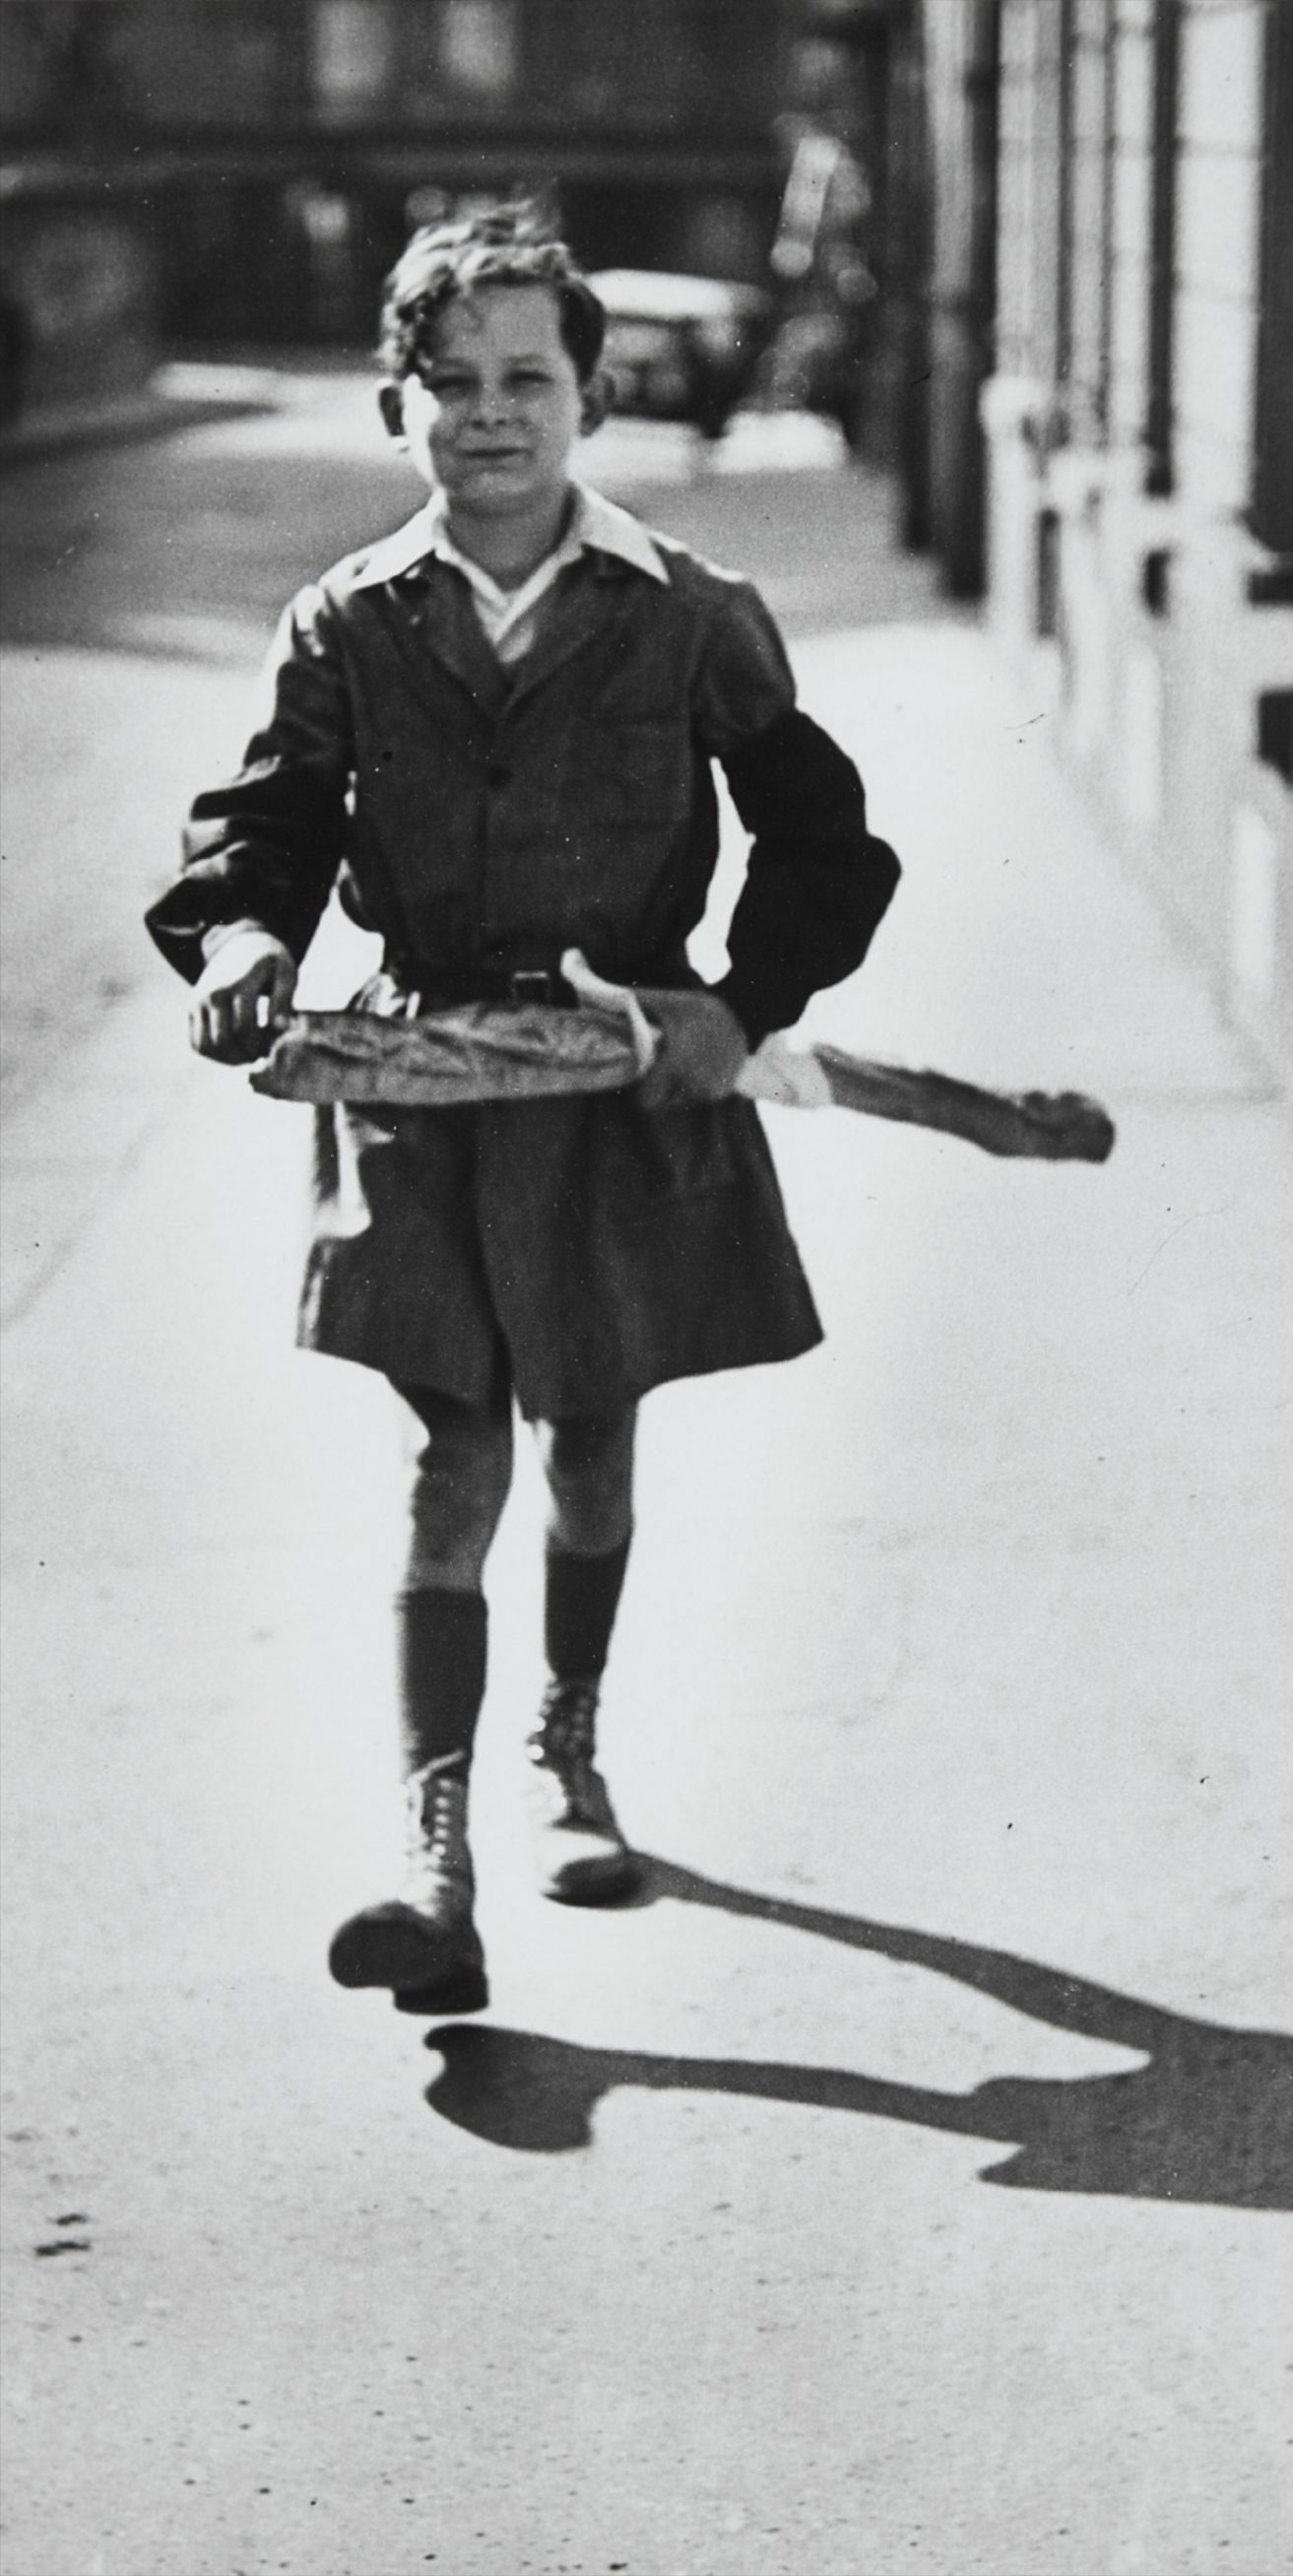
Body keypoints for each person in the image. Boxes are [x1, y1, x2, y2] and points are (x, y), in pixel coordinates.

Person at [146, 207, 899, 2017]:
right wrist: (242, 937)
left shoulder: (690, 612)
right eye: (452, 382)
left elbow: (823, 836)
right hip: (423, 1094)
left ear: (590, 401)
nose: (489, 413)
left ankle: (572, 1744)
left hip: (621, 1091)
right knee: (455, 1455)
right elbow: (268, 826)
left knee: (592, 1442)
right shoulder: (347, 621)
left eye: (526, 380)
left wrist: (739, 1006)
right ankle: (435, 1855)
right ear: (397, 406)